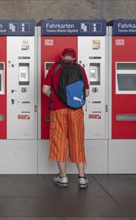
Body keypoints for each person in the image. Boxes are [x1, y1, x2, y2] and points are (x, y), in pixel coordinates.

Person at [42, 48, 90, 188]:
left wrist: (57, 98)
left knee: (59, 140)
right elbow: (86, 93)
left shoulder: (54, 68)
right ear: (74, 58)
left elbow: (45, 90)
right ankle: (82, 177)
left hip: (58, 109)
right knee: (77, 140)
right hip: (76, 110)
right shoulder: (80, 69)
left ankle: (63, 177)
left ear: (62, 56)